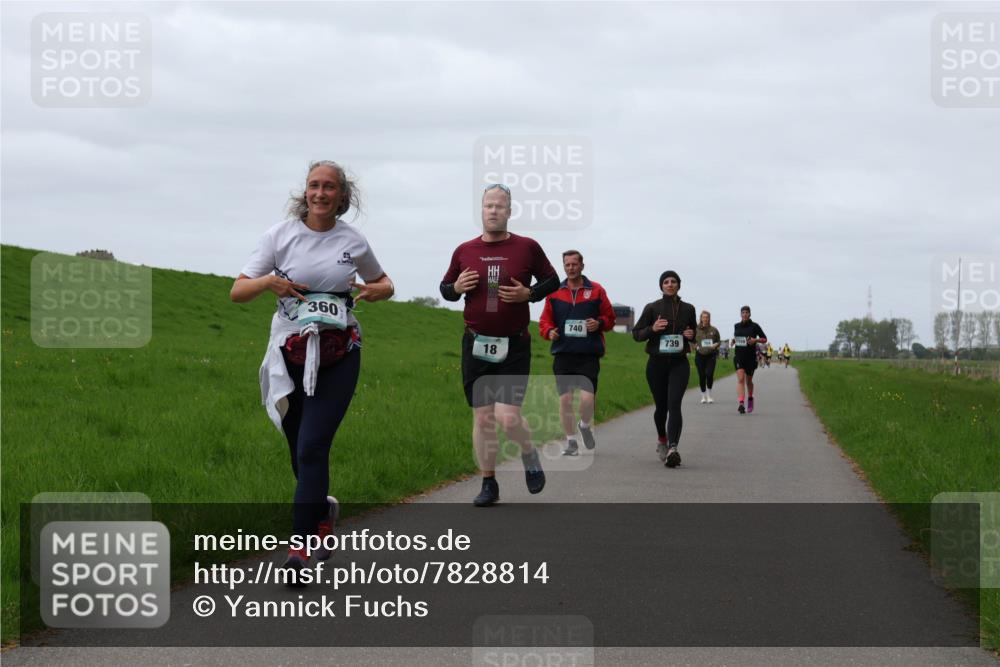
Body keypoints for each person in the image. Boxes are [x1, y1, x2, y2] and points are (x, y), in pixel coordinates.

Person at [231, 160, 394, 578]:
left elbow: (385, 284)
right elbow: (237, 291)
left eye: (329, 187)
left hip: (340, 354)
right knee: (297, 447)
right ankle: (322, 510)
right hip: (288, 354)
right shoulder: (279, 236)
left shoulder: (353, 241)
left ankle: (298, 550)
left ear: (343, 196)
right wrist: (269, 282)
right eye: (313, 186)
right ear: (304, 192)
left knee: (312, 446)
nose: (320, 193)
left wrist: (378, 291)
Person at [440, 184, 560, 506]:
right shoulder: (464, 250)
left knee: (508, 417)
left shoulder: (527, 247)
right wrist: (456, 287)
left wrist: (530, 294)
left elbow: (552, 280)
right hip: (476, 344)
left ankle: (528, 454)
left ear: (509, 211)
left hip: (514, 345)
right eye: (488, 205)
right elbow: (445, 288)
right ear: (482, 210)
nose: (493, 211)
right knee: (483, 418)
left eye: (499, 206)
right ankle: (488, 483)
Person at [538, 250, 616, 455]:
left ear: (582, 266)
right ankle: (571, 442)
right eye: (567, 265)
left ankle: (584, 425)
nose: (570, 268)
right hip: (563, 354)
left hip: (588, 355)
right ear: (563, 267)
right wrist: (549, 331)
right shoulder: (554, 292)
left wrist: (598, 323)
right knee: (564, 401)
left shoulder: (597, 290)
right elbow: (545, 320)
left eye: (574, 264)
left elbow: (610, 318)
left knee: (587, 401)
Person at [632, 271, 697, 468]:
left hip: (679, 364)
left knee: (674, 404)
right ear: (661, 286)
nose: (670, 284)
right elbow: (636, 334)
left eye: (673, 281)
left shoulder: (689, 309)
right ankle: (662, 438)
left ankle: (673, 448)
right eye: (666, 282)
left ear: (679, 285)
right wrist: (652, 329)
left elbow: (693, 334)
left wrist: (690, 334)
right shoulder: (652, 308)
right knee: (662, 408)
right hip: (656, 365)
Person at [732, 306, 767, 414]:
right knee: (741, 379)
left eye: (747, 312)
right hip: (739, 356)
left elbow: (764, 339)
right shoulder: (736, 326)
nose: (745, 314)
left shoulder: (755, 326)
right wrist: (733, 341)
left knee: (748, 381)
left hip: (751, 357)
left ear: (750, 314)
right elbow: (737, 337)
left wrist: (755, 340)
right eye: (743, 312)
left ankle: (750, 398)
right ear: (740, 314)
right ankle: (741, 403)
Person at [693, 310, 721, 404]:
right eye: (704, 317)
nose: (705, 319)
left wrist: (716, 345)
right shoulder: (696, 329)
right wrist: (695, 346)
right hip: (700, 355)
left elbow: (718, 341)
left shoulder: (714, 330)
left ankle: (709, 395)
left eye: (707, 317)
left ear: (709, 318)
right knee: (702, 376)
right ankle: (703, 396)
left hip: (711, 355)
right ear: (701, 318)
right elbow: (691, 340)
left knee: (709, 374)